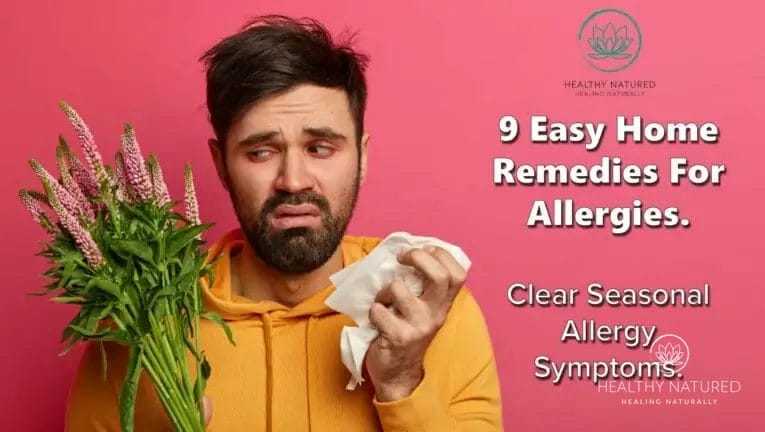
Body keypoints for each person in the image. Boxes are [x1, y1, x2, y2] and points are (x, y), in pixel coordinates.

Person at [65, 15, 502, 431]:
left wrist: (402, 383)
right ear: (221, 165)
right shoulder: (143, 327)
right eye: (261, 152)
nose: (293, 181)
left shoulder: (428, 312)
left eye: (321, 148)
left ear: (362, 157)